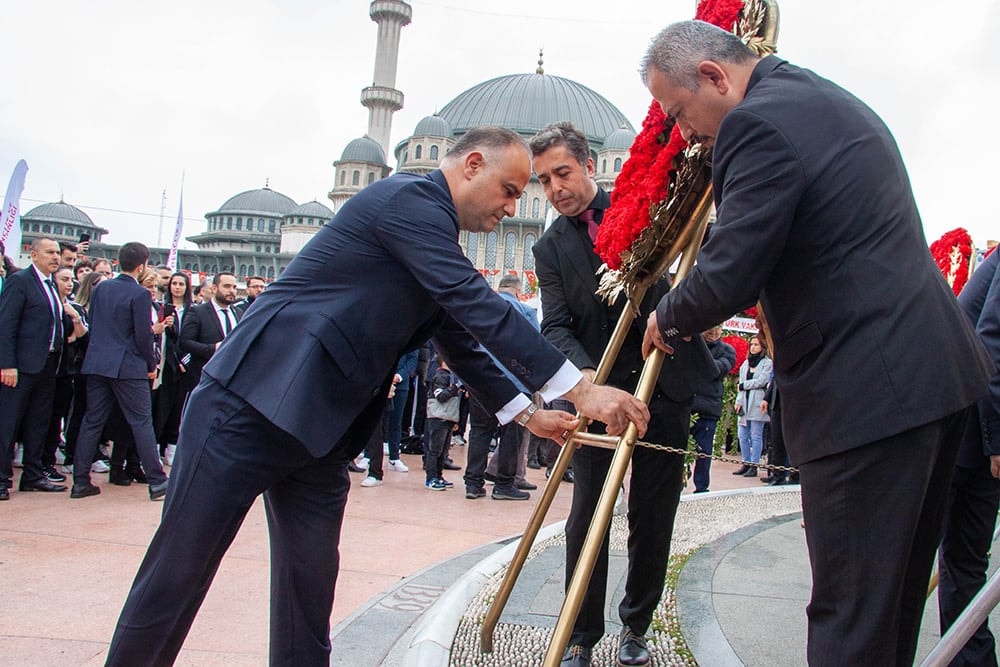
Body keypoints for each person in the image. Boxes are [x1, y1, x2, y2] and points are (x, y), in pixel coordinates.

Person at [105, 126, 650, 666]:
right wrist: (579, 389)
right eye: (510, 189)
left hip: (320, 435)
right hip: (247, 407)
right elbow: (475, 302)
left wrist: (531, 415)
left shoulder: (433, 241)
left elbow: (462, 344)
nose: (514, 206)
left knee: (309, 593)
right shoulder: (407, 202)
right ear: (473, 165)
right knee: (178, 573)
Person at [639, 21, 992, 665]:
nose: (684, 134)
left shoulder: (756, 125)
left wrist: (669, 314)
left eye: (680, 113)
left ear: (715, 77)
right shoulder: (824, 99)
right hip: (931, 380)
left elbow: (731, 265)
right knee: (890, 604)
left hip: (865, 396)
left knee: (851, 611)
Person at [530, 121, 716, 667]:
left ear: (588, 165)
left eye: (562, 172)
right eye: (543, 180)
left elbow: (683, 276)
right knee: (586, 512)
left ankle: (636, 625)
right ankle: (581, 634)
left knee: (654, 512)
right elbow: (556, 325)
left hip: (666, 379)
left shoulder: (646, 207)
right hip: (597, 390)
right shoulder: (549, 248)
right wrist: (589, 384)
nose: (555, 188)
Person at [938, 248, 1000, 665]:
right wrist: (998, 441)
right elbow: (992, 344)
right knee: (908, 564)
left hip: (974, 433)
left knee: (963, 564)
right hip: (962, 429)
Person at [69, 242, 169, 501]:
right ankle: (157, 481)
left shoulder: (101, 288)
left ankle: (80, 481)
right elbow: (143, 335)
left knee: (92, 421)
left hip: (97, 363)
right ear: (142, 266)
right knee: (141, 422)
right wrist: (151, 364)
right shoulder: (140, 295)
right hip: (128, 365)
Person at [0, 237, 72, 498]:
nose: (55, 257)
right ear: (33, 255)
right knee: (8, 423)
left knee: (38, 423)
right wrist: (7, 364)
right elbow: (6, 325)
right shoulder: (20, 282)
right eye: (50, 252)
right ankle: (1, 479)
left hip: (47, 366)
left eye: (57, 253)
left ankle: (33, 474)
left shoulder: (51, 285)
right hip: (20, 367)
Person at [178, 271, 241, 393]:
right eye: (226, 286)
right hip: (204, 377)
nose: (232, 290)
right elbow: (185, 342)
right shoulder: (197, 312)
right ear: (214, 288)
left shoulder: (239, 313)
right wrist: (213, 348)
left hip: (231, 379)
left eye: (234, 287)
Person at [690, 325, 735, 492]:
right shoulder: (691, 345)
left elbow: (716, 369)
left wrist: (698, 354)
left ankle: (701, 487)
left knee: (704, 451)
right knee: (679, 450)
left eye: (717, 328)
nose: (713, 332)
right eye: (709, 328)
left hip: (709, 409)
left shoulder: (727, 350)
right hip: (688, 406)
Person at [732, 335, 771, 477]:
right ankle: (746, 462)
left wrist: (743, 386)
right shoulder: (745, 364)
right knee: (742, 434)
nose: (753, 347)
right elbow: (739, 387)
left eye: (756, 344)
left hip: (757, 401)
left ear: (762, 347)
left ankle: (754, 465)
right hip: (744, 402)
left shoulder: (767, 363)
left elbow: (761, 381)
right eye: (752, 344)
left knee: (756, 435)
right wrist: (738, 401)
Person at [424, 355, 461, 491]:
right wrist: (455, 388)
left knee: (443, 451)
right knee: (435, 450)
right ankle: (431, 478)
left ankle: (439, 476)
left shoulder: (450, 377)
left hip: (447, 418)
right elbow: (440, 396)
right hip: (439, 418)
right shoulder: (441, 376)